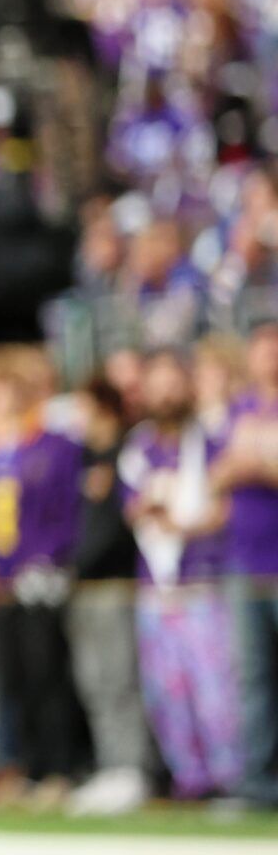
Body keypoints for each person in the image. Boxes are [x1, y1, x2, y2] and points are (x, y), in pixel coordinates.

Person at [122, 349, 242, 799]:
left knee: (218, 688)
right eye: (157, 383)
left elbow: (226, 505)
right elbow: (133, 505)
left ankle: (233, 777)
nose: (166, 392)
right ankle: (191, 777)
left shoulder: (210, 439)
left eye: (174, 381)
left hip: (204, 581)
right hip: (157, 584)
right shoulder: (139, 446)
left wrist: (187, 522)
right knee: (167, 691)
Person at [0, 346, 85, 805]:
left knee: (47, 674)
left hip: (38, 579)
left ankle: (59, 767)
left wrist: (45, 560)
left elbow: (63, 512)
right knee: (10, 678)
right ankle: (25, 766)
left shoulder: (53, 443)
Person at [65, 379, 152, 816]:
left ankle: (134, 767)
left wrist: (79, 563)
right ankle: (111, 763)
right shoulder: (79, 458)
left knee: (121, 680)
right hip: (81, 588)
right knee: (94, 682)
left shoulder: (126, 454)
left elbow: (118, 525)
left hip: (115, 584)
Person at [212, 318, 278, 808]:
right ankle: (256, 782)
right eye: (262, 347)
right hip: (245, 561)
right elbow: (217, 475)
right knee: (251, 675)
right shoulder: (239, 409)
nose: (269, 356)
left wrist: (258, 463)